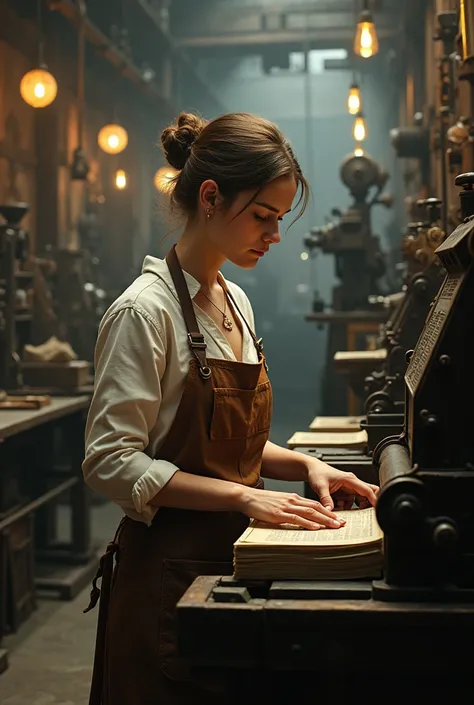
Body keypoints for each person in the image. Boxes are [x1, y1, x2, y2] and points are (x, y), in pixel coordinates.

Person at [82, 111, 379, 705]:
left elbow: (223, 442)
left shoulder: (232, 298)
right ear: (211, 197)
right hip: (167, 577)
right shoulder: (147, 312)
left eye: (278, 219)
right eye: (263, 216)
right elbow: (111, 462)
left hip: (230, 562)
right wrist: (245, 496)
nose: (273, 235)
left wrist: (304, 466)